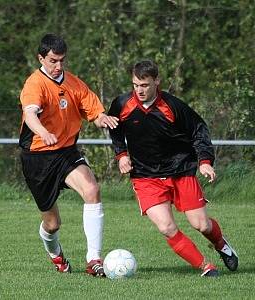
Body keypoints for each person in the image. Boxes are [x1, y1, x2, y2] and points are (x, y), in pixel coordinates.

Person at [108, 60, 238, 277]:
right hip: (145, 176)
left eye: (145, 85)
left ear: (157, 82)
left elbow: (199, 130)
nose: (139, 90)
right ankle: (206, 267)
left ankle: (222, 245)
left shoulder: (172, 105)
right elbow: (114, 127)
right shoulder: (122, 104)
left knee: (202, 225)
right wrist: (121, 155)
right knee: (166, 227)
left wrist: (205, 161)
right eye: (135, 85)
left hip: (180, 170)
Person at [19, 33, 118, 277]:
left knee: (92, 190)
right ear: (41, 58)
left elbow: (93, 110)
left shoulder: (74, 83)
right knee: (52, 224)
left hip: (66, 153)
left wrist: (101, 118)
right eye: (53, 60)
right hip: (38, 158)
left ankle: (94, 259)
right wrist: (43, 131)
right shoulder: (35, 84)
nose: (58, 66)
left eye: (62, 60)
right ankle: (56, 255)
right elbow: (30, 115)